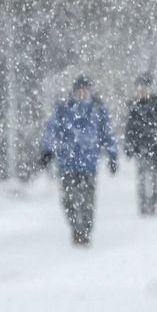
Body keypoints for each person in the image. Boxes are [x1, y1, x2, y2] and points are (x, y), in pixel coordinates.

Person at [40, 75, 120, 247]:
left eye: (85, 89)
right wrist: (47, 151)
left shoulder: (98, 110)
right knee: (68, 199)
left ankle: (85, 230)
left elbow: (107, 134)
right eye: (80, 89)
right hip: (66, 161)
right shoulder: (63, 108)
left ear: (89, 90)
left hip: (89, 163)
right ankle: (75, 227)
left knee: (87, 200)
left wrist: (112, 155)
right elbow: (52, 129)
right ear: (75, 91)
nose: (82, 92)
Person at [123, 72, 157, 216]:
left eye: (145, 86)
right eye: (139, 86)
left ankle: (153, 204)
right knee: (141, 178)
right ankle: (143, 204)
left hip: (155, 148)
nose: (142, 89)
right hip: (140, 148)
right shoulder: (134, 106)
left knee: (154, 178)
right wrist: (129, 146)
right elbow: (129, 128)